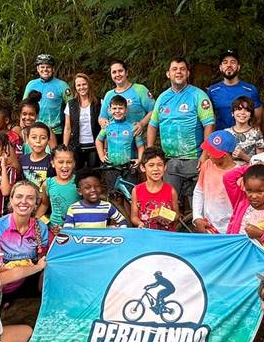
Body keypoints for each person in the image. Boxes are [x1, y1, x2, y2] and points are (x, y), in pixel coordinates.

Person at [146, 57, 215, 206]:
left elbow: (209, 125)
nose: (178, 72)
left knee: (197, 206)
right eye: (174, 69)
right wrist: (150, 152)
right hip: (170, 161)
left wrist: (205, 154)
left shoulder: (198, 95)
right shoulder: (162, 98)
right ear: (168, 74)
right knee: (169, 205)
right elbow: (152, 125)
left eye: (182, 69)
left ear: (188, 73)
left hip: (195, 160)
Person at [223, 164, 264, 262]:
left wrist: (261, 234)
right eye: (249, 190)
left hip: (260, 261)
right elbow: (227, 178)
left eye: (259, 192)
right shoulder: (241, 201)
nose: (253, 196)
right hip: (236, 254)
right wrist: (251, 167)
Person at [0, 181, 51, 294]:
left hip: (30, 275)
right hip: (4, 277)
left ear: (36, 203)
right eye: (19, 196)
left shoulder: (41, 227)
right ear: (11, 200)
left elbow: (41, 257)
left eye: (30, 198)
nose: (23, 202)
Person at [95, 95, 145, 195]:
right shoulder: (107, 126)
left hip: (128, 168)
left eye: (120, 108)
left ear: (126, 110)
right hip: (111, 167)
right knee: (113, 195)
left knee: (130, 195)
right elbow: (98, 140)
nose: (117, 111)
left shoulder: (132, 126)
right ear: (109, 110)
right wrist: (101, 156)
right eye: (114, 108)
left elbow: (140, 146)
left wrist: (139, 160)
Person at [192, 130, 236, 234]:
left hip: (230, 228)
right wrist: (197, 217)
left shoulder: (237, 174)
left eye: (212, 152)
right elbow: (199, 191)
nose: (208, 154)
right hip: (208, 225)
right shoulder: (207, 165)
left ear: (224, 155)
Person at [207, 49, 262, 131]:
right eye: (225, 62)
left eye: (233, 62)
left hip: (244, 139)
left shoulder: (250, 90)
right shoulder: (212, 90)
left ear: (238, 67)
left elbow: (257, 120)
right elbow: (210, 119)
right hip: (221, 139)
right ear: (220, 67)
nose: (229, 65)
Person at [23, 54, 71, 145]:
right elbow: (24, 108)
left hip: (56, 131)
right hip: (35, 130)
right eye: (42, 67)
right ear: (37, 69)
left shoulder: (62, 85)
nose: (45, 69)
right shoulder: (31, 84)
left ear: (53, 69)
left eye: (48, 67)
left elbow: (72, 108)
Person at [98, 59, 155, 134]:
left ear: (126, 72)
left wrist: (142, 123)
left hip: (138, 140)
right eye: (114, 72)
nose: (117, 74)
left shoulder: (140, 90)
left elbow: (154, 110)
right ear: (111, 75)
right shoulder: (109, 95)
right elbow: (102, 117)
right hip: (115, 141)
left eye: (120, 71)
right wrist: (103, 121)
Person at [130, 147, 179, 231]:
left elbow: (177, 215)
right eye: (151, 165)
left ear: (165, 167)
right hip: (146, 235)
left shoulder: (171, 191)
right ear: (142, 168)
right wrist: (139, 223)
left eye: (160, 165)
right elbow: (134, 216)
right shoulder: (136, 190)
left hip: (166, 236)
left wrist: (167, 215)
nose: (156, 169)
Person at [63, 73, 101, 170]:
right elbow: (67, 128)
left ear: (89, 85)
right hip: (77, 146)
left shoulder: (99, 102)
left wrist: (104, 147)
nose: (81, 87)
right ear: (75, 88)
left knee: (94, 174)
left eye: (84, 84)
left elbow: (105, 125)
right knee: (76, 174)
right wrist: (65, 147)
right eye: (78, 85)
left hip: (94, 145)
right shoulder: (71, 104)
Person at [63, 171, 129, 228]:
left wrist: (120, 229)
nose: (93, 190)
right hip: (81, 242)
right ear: (79, 191)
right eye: (88, 187)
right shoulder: (73, 208)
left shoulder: (107, 206)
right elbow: (68, 229)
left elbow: (122, 220)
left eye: (97, 186)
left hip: (101, 242)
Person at [37, 145, 80, 230]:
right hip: (55, 229)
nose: (65, 165)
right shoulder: (47, 183)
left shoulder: (79, 182)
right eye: (60, 162)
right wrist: (35, 219)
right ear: (53, 163)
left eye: (69, 162)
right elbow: (44, 204)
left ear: (74, 163)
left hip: (76, 229)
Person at [224, 96, 264, 166]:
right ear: (232, 113)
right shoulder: (226, 133)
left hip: (249, 173)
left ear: (251, 114)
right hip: (228, 173)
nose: (242, 112)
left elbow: (260, 163)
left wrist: (244, 156)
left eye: (247, 110)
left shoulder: (257, 134)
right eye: (239, 109)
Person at [20, 122, 56, 189]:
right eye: (34, 137)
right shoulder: (22, 159)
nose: (38, 141)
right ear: (27, 139)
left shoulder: (53, 161)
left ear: (48, 140)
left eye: (43, 138)